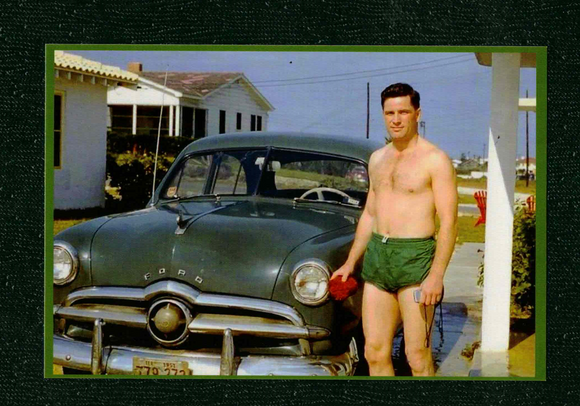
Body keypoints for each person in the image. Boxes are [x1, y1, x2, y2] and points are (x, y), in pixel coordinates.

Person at [331, 83, 458, 376]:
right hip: (378, 258)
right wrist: (350, 263)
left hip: (414, 261)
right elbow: (369, 214)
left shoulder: (435, 160)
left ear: (417, 114)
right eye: (390, 113)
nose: (396, 119)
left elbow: (450, 223)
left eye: (403, 111)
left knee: (416, 357)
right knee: (373, 353)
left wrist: (436, 277)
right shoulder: (377, 159)